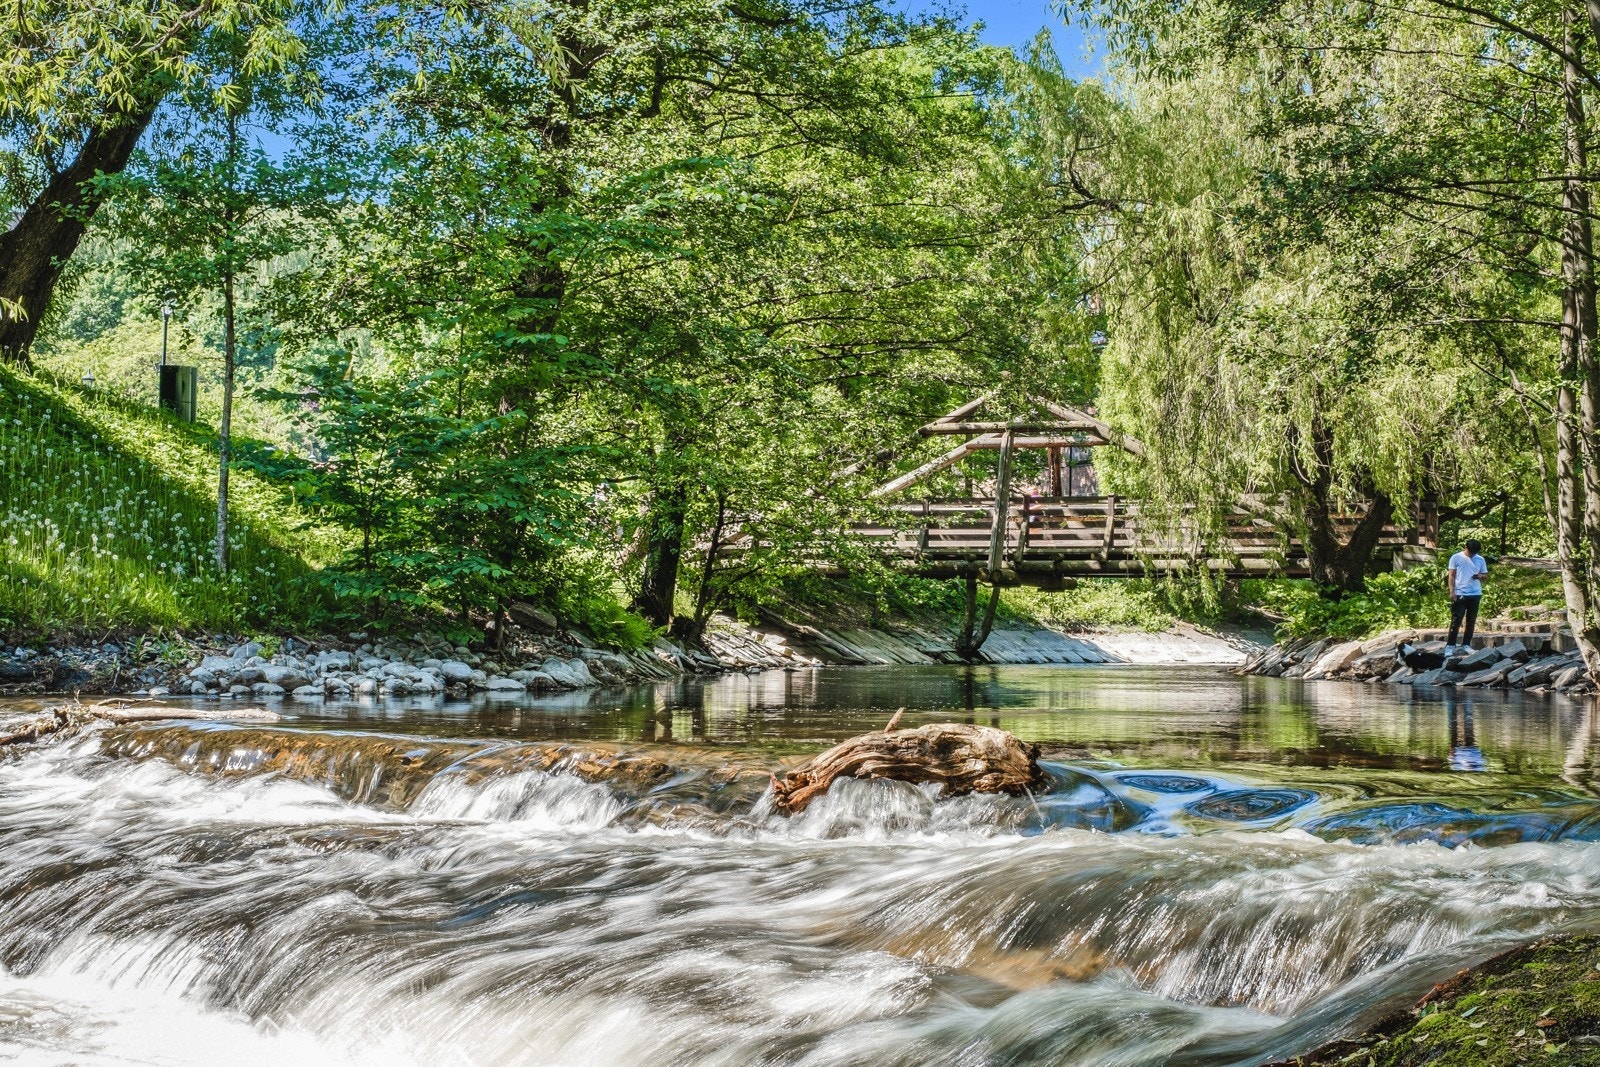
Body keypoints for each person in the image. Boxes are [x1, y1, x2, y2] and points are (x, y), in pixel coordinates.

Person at [1444, 539, 1488, 656]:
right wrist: (1452, 591)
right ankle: (1450, 645)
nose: (1472, 554)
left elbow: (1485, 575)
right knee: (1456, 620)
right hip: (1460, 593)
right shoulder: (1456, 558)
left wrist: (1480, 576)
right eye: (1471, 552)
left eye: (1475, 552)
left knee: (1471, 620)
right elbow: (1451, 576)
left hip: (1475, 593)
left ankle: (1466, 644)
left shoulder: (1480, 559)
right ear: (1466, 548)